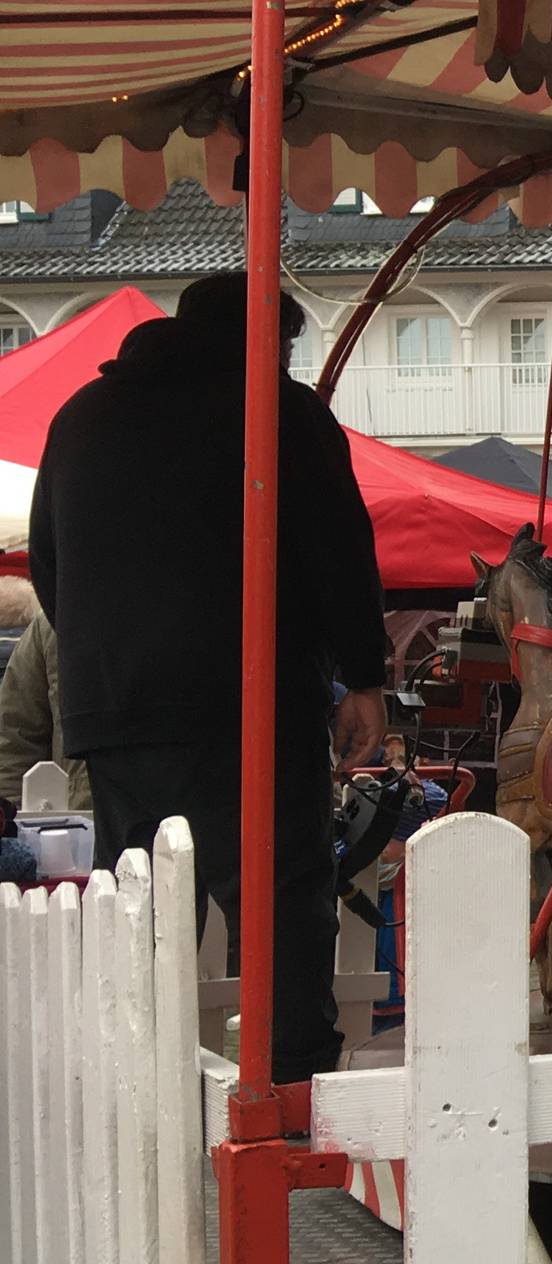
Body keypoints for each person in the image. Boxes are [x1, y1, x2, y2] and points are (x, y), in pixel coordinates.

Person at [30, 272, 388, 1085]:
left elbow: (53, 570)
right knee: (279, 902)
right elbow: (338, 550)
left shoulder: (81, 418)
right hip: (246, 702)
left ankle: (138, 1082)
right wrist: (364, 677)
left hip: (116, 707)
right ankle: (290, 1093)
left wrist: (113, 656)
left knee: (147, 908)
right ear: (269, 338)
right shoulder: (278, 413)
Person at [0, 608, 90, 825]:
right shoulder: (52, 623)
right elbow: (17, 742)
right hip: (79, 830)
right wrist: (13, 834)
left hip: (178, 826)